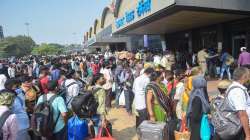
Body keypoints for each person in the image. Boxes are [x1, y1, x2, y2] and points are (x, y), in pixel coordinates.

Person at [227, 67, 250, 140]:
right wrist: (248, 135)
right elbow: (242, 114)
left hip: (239, 125)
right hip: (240, 128)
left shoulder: (234, 87)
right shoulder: (237, 91)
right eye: (248, 76)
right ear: (244, 77)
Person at [187, 76, 210, 140]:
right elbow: (195, 116)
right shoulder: (198, 98)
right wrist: (206, 115)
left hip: (199, 126)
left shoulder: (198, 95)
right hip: (198, 128)